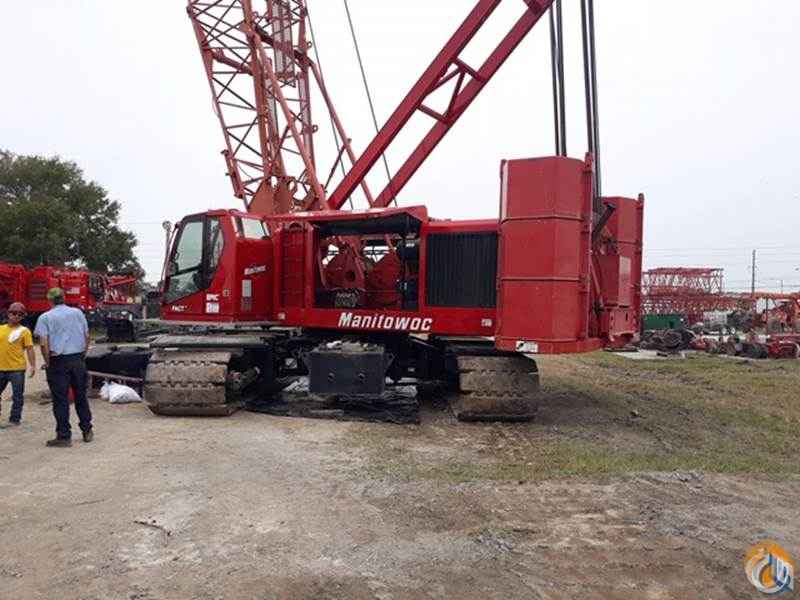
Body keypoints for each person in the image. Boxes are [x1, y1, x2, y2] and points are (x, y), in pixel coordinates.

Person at [34, 288, 93, 447]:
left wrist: (47, 362)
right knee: (81, 396)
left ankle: (64, 435)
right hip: (77, 359)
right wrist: (82, 355)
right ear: (64, 298)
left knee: (60, 399)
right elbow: (87, 336)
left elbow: (44, 343)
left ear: (50, 300)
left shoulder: (45, 317)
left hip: (58, 361)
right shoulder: (78, 313)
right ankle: (87, 429)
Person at [0, 302, 36, 425]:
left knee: (17, 396)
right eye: (14, 313)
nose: (16, 316)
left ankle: (15, 419)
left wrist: (33, 365)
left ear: (23, 316)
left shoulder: (24, 331)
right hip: (1, 367)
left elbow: (30, 348)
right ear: (8, 314)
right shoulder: (1, 329)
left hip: (17, 368)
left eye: (20, 314)